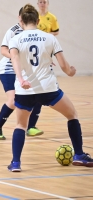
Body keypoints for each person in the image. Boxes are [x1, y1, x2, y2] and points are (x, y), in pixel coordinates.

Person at [7, 4, 93, 172]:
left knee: (21, 126)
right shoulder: (49, 38)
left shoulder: (15, 39)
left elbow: (14, 60)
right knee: (72, 115)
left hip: (25, 90)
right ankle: (79, 154)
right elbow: (64, 66)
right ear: (38, 21)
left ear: (21, 21)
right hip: (48, 89)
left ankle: (16, 163)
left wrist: (21, 79)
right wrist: (71, 71)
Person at [0, 7, 43, 140]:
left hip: (26, 70)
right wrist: (15, 58)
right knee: (14, 100)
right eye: (22, 16)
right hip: (8, 69)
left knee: (38, 95)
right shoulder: (13, 31)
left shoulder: (34, 31)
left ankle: (30, 127)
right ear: (19, 17)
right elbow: (3, 50)